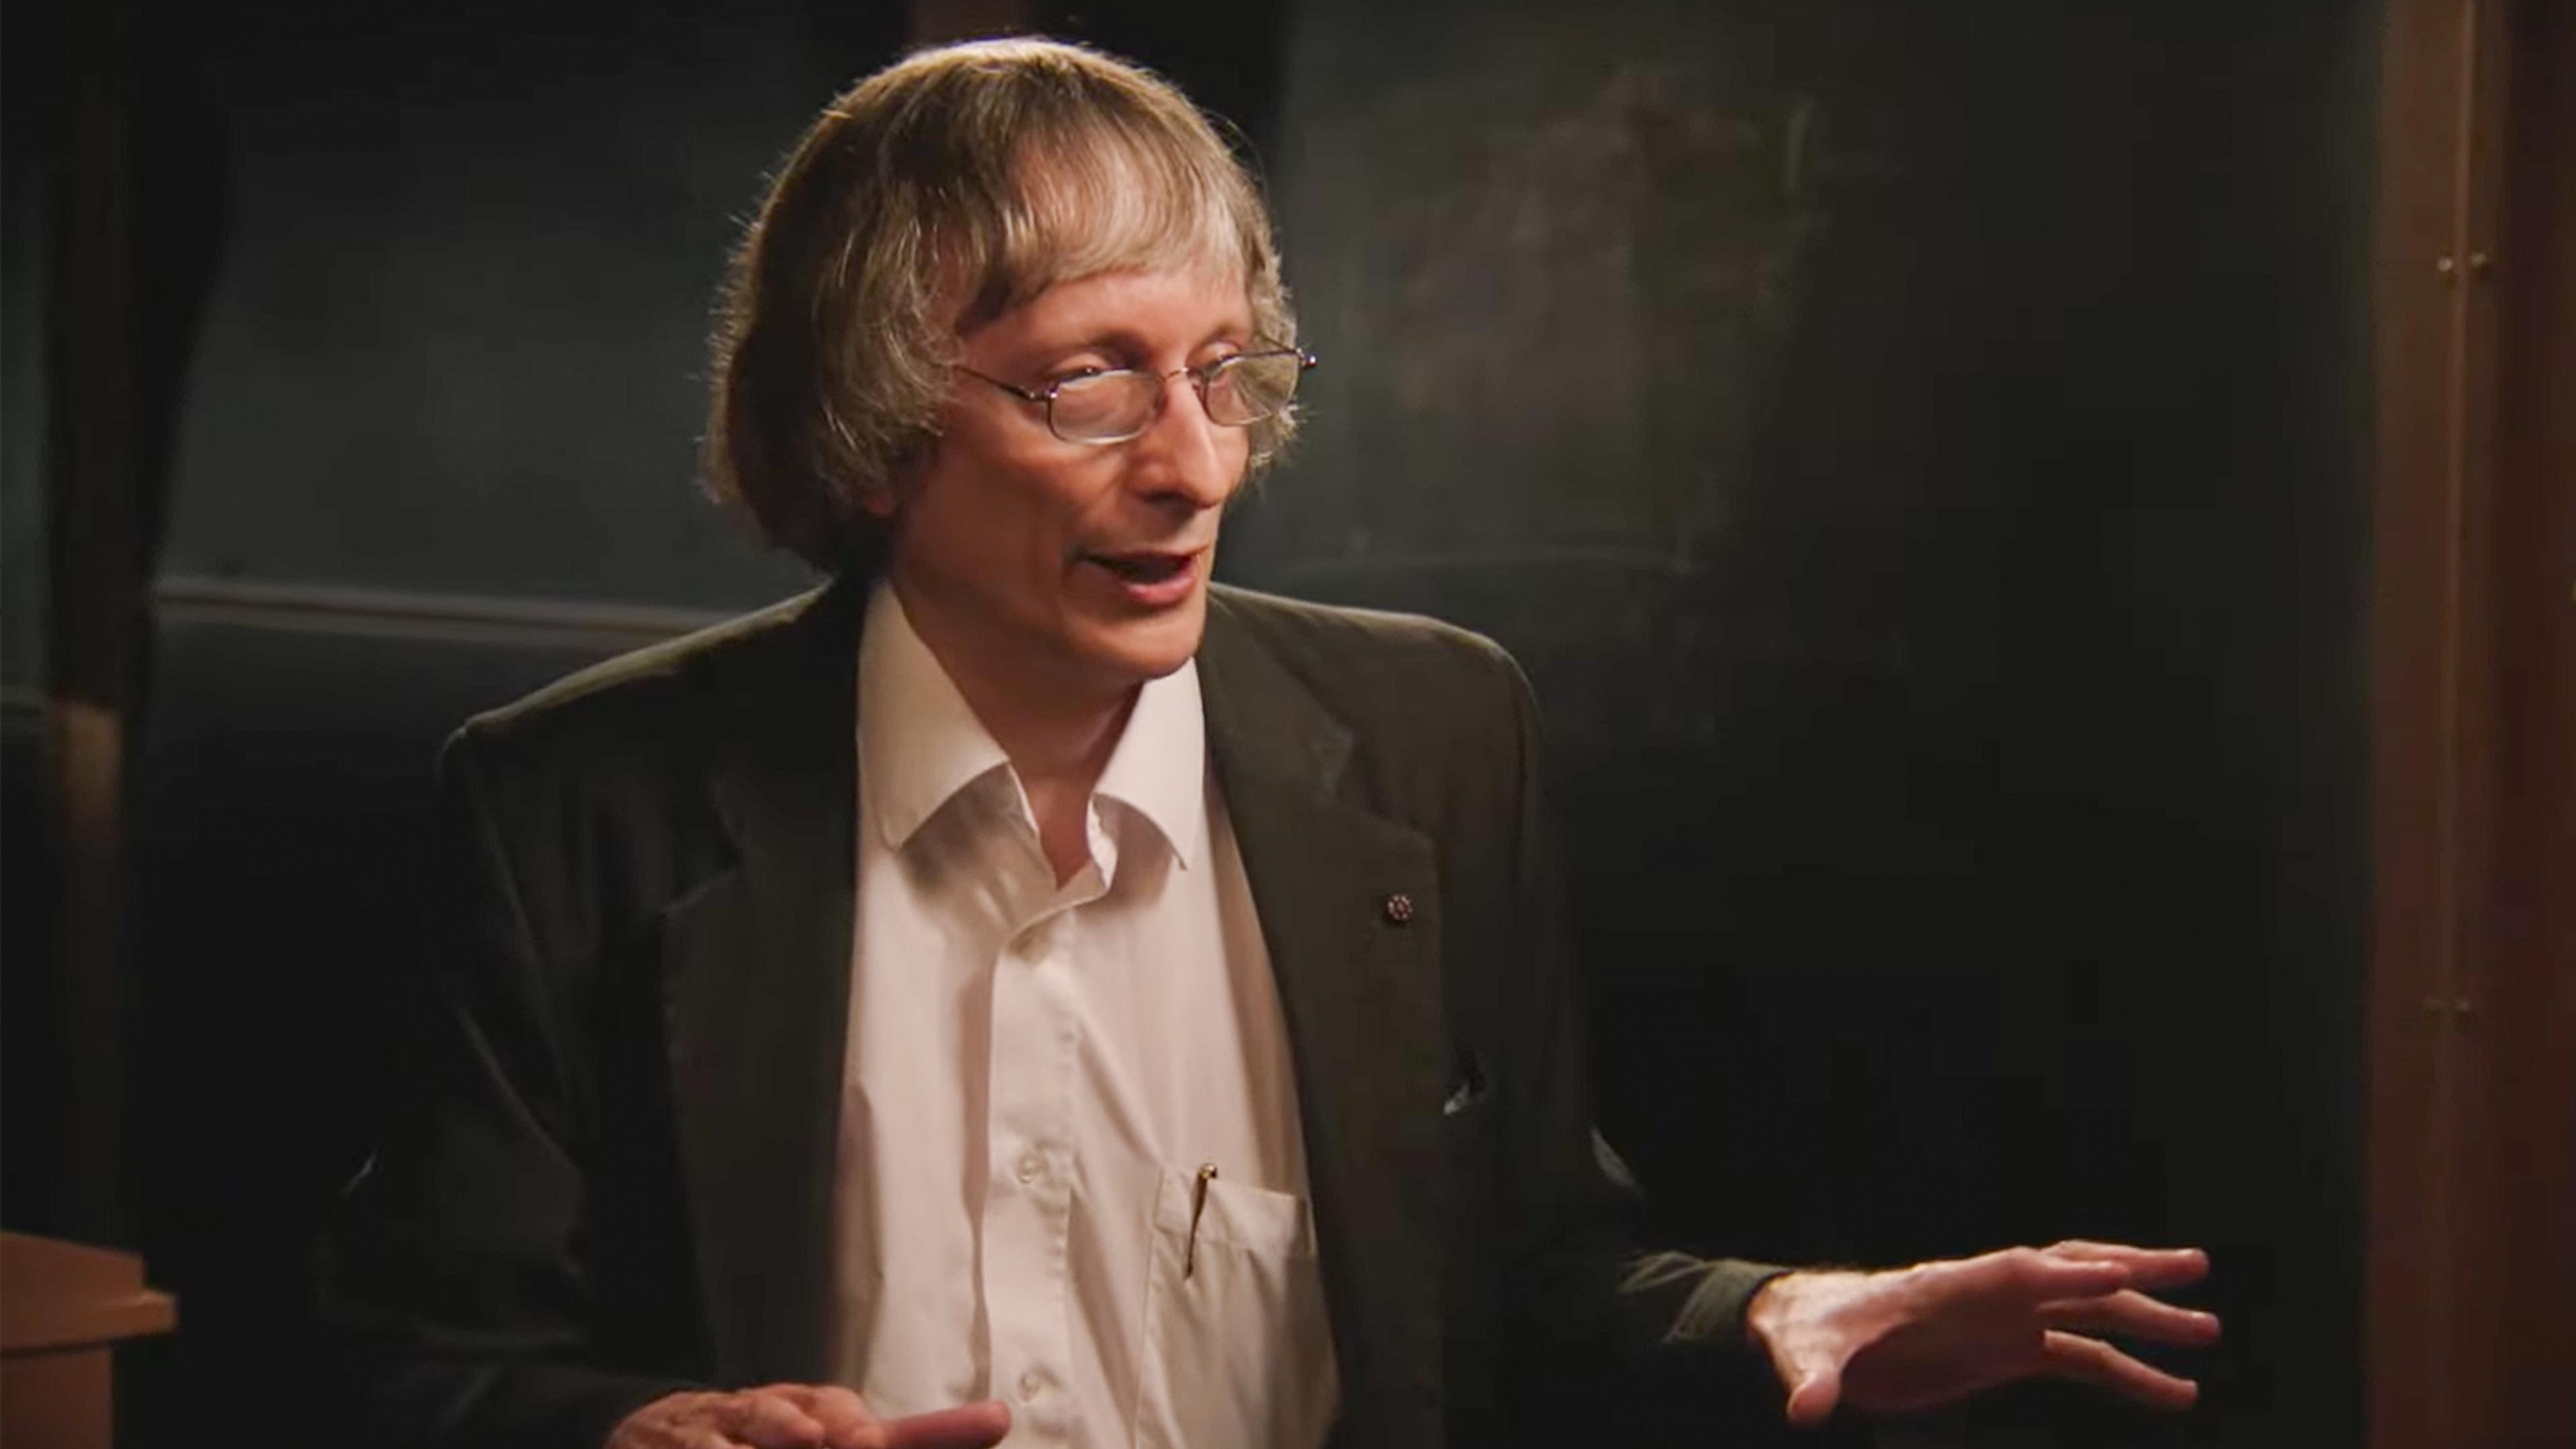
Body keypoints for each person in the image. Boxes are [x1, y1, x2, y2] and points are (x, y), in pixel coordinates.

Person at [315, 38, 2219, 1449]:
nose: (1196, 465)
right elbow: (411, 1370)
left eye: (1228, 372)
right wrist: (643, 1436)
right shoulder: (575, 807)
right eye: (1092, 382)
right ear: (874, 418)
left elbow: (1524, 1281)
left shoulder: (1434, 737)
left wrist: (1784, 1312)